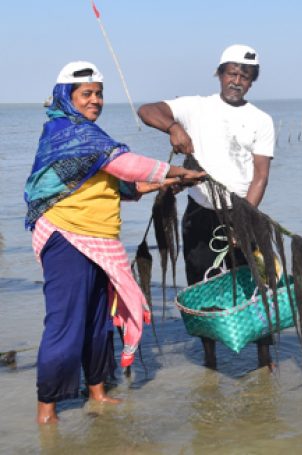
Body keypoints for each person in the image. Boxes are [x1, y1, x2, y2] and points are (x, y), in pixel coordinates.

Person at [24, 61, 206, 424]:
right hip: (66, 236)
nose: (95, 101)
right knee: (64, 323)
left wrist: (172, 182)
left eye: (99, 94)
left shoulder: (91, 137)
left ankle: (98, 391)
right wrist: (174, 170)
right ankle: (47, 407)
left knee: (98, 321)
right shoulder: (66, 132)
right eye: (86, 94)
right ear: (67, 96)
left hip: (101, 241)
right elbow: (124, 164)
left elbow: (125, 185)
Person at [138, 44, 277, 371]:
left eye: (245, 75)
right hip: (200, 213)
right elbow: (146, 110)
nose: (237, 80)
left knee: (255, 283)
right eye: (231, 73)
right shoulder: (194, 107)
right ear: (220, 74)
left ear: (252, 81)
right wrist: (173, 127)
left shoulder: (261, 120)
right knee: (202, 285)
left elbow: (261, 176)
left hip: (245, 212)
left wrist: (243, 220)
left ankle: (264, 357)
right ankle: (210, 357)